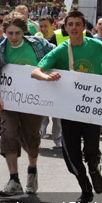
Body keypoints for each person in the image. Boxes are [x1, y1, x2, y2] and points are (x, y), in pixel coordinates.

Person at [31, 10, 102, 203]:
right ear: (65, 27)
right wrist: (47, 77)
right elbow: (36, 70)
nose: (74, 28)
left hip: (90, 108)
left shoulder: (96, 46)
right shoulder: (61, 50)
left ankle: (94, 169)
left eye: (78, 24)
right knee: (71, 157)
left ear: (84, 27)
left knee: (90, 151)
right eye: (70, 24)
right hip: (68, 110)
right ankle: (85, 189)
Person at [0, 12, 55, 196]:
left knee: (32, 139)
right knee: (7, 134)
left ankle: (32, 170)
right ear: (4, 32)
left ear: (24, 32)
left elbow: (57, 55)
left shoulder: (38, 45)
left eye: (17, 33)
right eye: (10, 33)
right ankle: (14, 179)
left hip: (34, 102)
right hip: (9, 103)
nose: (13, 37)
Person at [35, 15, 61, 148]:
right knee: (41, 108)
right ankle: (40, 133)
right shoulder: (36, 37)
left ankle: (58, 138)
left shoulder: (58, 37)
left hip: (57, 78)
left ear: (53, 25)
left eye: (46, 26)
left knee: (57, 112)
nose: (43, 29)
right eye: (42, 26)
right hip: (42, 77)